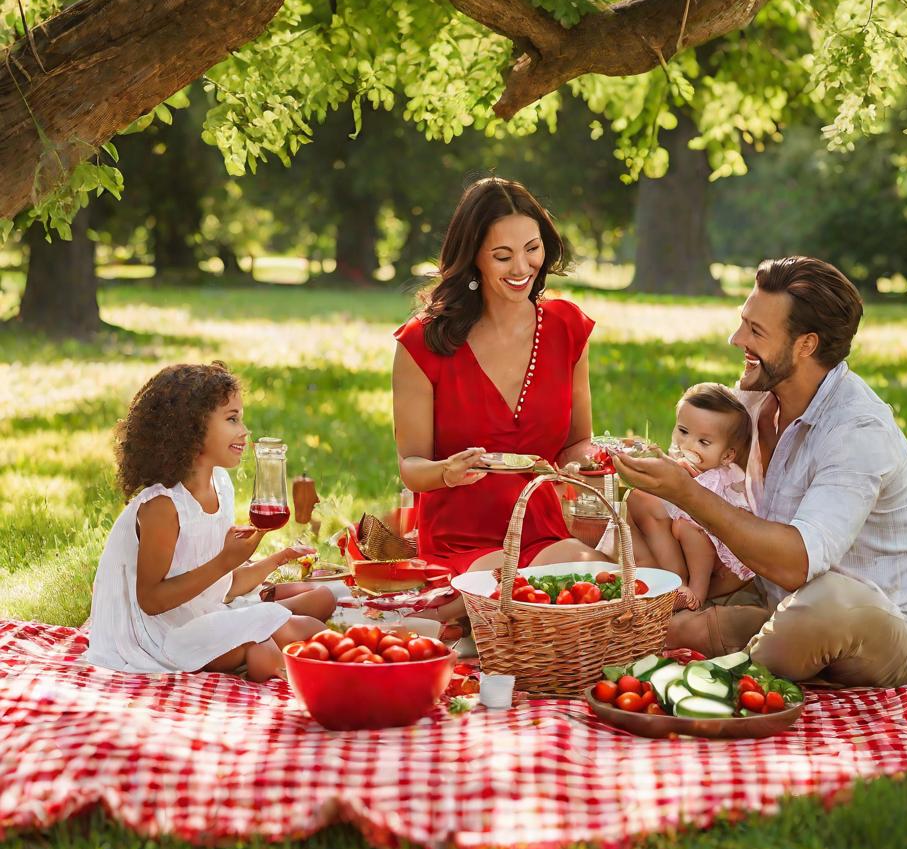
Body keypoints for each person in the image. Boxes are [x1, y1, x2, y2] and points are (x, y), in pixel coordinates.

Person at [614, 257, 907, 688]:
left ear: (806, 345)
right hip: (780, 603)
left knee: (824, 602)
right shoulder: (752, 405)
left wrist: (686, 492)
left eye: (756, 332)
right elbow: (705, 482)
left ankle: (739, 673)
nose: (736, 339)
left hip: (892, 629)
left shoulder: (857, 430)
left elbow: (797, 564)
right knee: (654, 618)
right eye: (743, 322)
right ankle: (760, 664)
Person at [392, 176, 605, 584]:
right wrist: (446, 472)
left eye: (532, 249)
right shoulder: (423, 341)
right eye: (503, 256)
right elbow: (411, 466)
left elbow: (578, 441)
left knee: (597, 584)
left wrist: (581, 466)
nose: (522, 268)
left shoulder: (567, 328)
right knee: (509, 599)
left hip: (541, 533)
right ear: (474, 257)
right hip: (461, 541)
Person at [86, 363, 335, 680]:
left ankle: (276, 648)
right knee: (271, 646)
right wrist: (223, 562)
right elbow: (151, 601)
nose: (244, 431)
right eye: (232, 419)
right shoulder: (163, 506)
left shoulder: (220, 484)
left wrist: (276, 559)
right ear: (190, 427)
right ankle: (306, 668)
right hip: (162, 638)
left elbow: (222, 587)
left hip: (201, 615)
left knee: (316, 612)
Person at [627, 383, 754, 611]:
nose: (688, 444)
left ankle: (697, 590)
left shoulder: (720, 479)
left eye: (704, 442)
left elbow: (710, 513)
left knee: (687, 526)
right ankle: (676, 580)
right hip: (680, 528)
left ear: (726, 456)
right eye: (683, 432)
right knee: (638, 499)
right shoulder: (683, 464)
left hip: (712, 544)